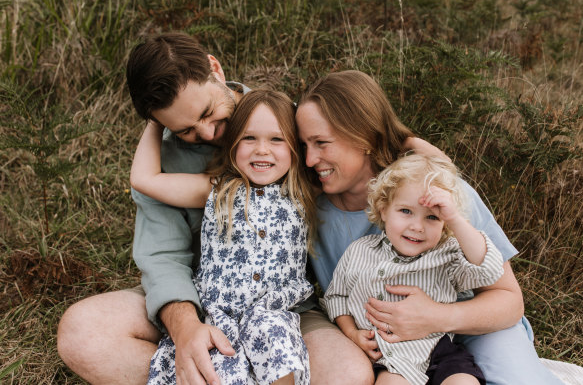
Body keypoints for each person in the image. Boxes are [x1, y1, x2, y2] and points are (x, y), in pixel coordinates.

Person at [57, 32, 439, 385]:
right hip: (204, 299)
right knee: (82, 332)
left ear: (216, 69)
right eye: (187, 129)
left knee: (348, 374)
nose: (207, 134)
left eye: (207, 112)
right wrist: (186, 327)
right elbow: (162, 257)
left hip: (286, 309)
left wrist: (409, 144)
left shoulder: (285, 119)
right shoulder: (168, 163)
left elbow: (354, 138)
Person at [295, 69, 564, 385]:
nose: (311, 159)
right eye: (304, 145)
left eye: (321, 143)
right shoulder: (313, 212)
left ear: (363, 137)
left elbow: (509, 301)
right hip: (390, 348)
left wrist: (435, 317)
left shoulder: (437, 192)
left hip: (471, 328)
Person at [131, 89, 316, 384]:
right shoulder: (217, 189)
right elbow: (144, 179)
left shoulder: (303, 191)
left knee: (282, 359)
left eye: (277, 139)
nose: (262, 150)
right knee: (219, 371)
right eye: (249, 138)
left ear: (296, 146)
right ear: (232, 144)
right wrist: (156, 120)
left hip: (272, 310)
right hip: (218, 312)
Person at [324, 153, 505, 385]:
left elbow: (488, 270)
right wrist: (352, 334)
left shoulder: (448, 254)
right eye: (406, 211)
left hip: (440, 351)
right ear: (383, 209)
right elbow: (336, 297)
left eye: (432, 217)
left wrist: (455, 219)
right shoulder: (360, 251)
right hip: (388, 357)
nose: (417, 227)